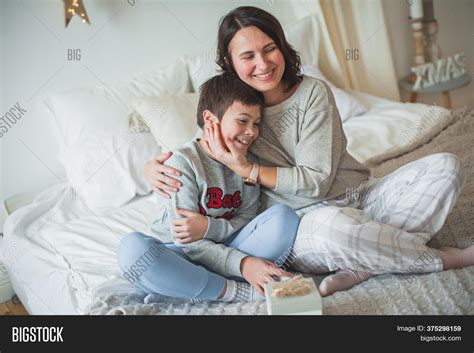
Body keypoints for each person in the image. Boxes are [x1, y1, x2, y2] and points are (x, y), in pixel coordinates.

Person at [144, 5, 474, 297]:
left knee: (446, 167)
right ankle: (439, 259)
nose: (262, 63)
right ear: (230, 63)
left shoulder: (312, 92)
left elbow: (316, 179)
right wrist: (151, 168)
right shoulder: (235, 113)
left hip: (358, 197)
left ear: (283, 48)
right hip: (307, 225)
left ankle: (365, 265)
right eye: (247, 56)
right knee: (338, 228)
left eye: (269, 49)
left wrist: (250, 170)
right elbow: (203, 148)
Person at [117, 72, 300, 303]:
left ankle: (187, 289)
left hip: (228, 246)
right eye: (243, 121)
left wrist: (209, 228)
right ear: (211, 120)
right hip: (179, 254)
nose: (252, 131)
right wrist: (243, 264)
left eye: (256, 123)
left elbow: (246, 218)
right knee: (132, 251)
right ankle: (234, 290)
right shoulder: (182, 162)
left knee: (284, 218)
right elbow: (188, 240)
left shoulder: (248, 164)